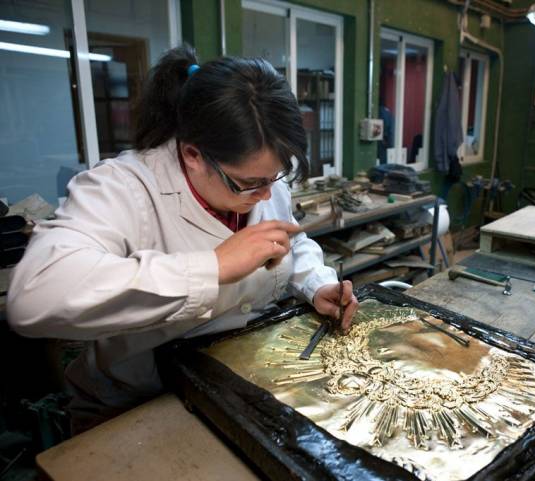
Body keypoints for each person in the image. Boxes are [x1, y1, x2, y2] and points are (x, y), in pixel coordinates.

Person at [7, 45, 359, 433]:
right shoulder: (122, 187)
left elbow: (289, 237)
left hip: (244, 381)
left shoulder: (264, 183)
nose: (265, 194)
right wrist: (212, 267)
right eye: (249, 183)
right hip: (138, 406)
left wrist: (315, 283)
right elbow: (34, 297)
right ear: (192, 154)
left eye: (275, 177)